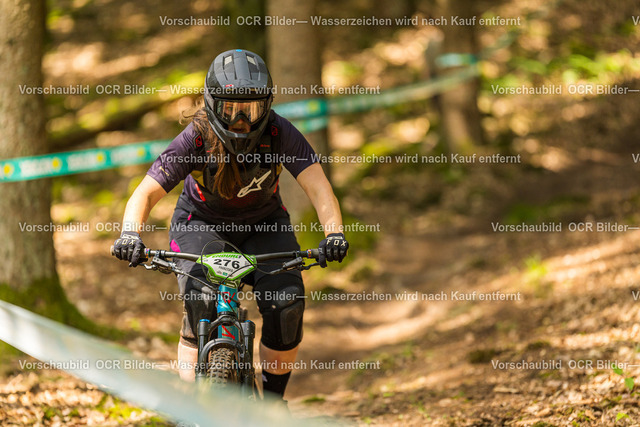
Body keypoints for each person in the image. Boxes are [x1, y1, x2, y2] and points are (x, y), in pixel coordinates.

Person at [113, 49, 349, 401]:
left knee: (286, 305)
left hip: (264, 225)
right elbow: (145, 192)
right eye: (230, 109)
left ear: (266, 107)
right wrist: (130, 234)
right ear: (212, 104)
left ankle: (272, 405)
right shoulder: (196, 137)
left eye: (250, 110)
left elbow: (318, 187)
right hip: (199, 225)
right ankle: (193, 411)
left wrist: (334, 234)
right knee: (201, 302)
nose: (240, 121)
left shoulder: (279, 132)